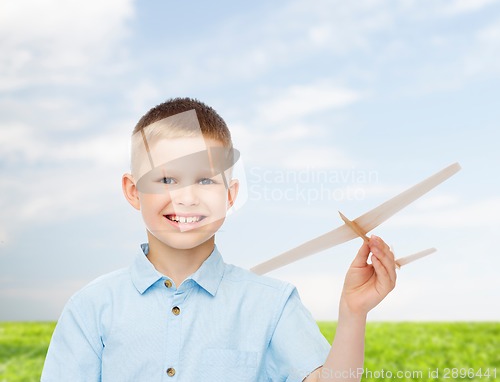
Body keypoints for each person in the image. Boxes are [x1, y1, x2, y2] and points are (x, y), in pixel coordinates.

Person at [41, 97, 397, 381]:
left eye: (206, 180)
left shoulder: (272, 305)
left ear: (230, 195)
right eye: (166, 180)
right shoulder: (90, 308)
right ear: (133, 192)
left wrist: (353, 312)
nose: (186, 197)